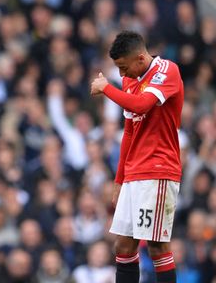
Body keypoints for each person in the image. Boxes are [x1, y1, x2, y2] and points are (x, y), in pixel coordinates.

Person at [90, 31, 184, 283]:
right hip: (134, 173)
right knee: (123, 247)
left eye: (123, 67)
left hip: (158, 169)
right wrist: (120, 180)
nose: (122, 75)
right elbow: (129, 134)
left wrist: (106, 88)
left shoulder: (167, 70)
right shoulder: (130, 81)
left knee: (156, 246)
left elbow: (142, 105)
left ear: (141, 59)